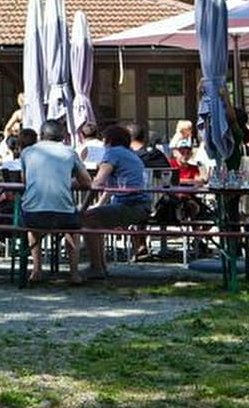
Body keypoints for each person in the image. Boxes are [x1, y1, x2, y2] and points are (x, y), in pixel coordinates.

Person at [20, 120, 91, 285]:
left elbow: (25, 181)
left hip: (33, 213)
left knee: (33, 230)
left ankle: (36, 270)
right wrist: (67, 182)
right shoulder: (69, 152)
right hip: (63, 213)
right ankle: (74, 274)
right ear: (62, 136)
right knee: (73, 230)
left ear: (41, 135)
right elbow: (87, 182)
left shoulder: (27, 152)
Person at [83, 124, 152, 276]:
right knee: (94, 218)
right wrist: (97, 205)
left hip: (131, 205)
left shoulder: (113, 153)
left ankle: (97, 267)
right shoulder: (130, 154)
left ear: (108, 140)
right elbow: (111, 187)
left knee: (87, 219)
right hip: (142, 205)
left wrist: (84, 208)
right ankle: (100, 266)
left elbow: (98, 183)